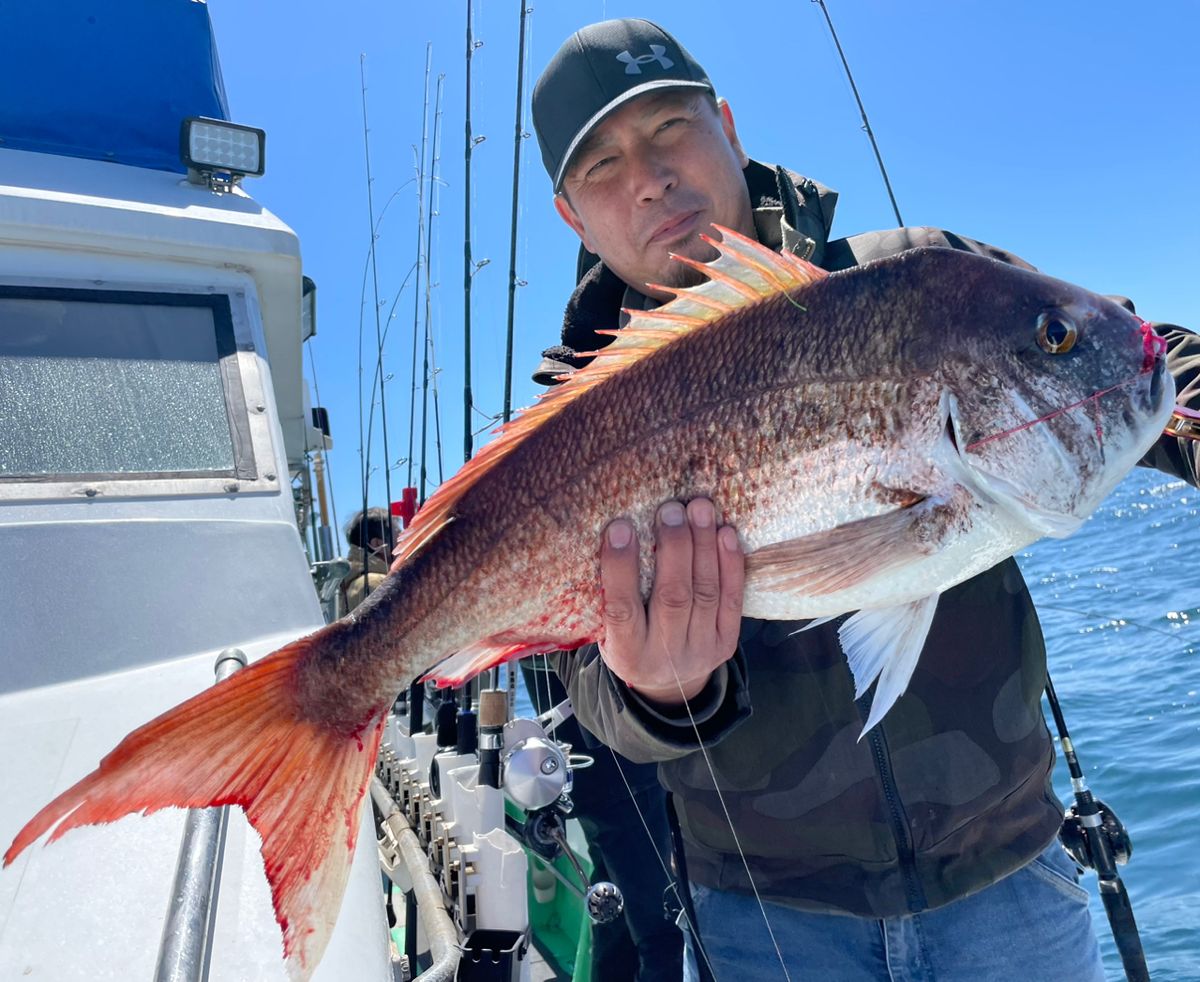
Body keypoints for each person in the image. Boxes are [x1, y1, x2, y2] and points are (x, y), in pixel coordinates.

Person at [528, 18, 1200, 981]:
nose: (649, 177)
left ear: (727, 125)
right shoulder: (570, 422)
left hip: (1009, 876)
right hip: (767, 921)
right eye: (603, 164)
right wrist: (660, 689)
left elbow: (1119, 350)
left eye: (670, 127)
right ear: (573, 218)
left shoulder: (920, 278)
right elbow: (585, 689)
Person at [341, 507, 394, 613]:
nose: (405, 540)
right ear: (377, 544)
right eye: (400, 536)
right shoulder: (376, 584)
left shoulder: (356, 582)